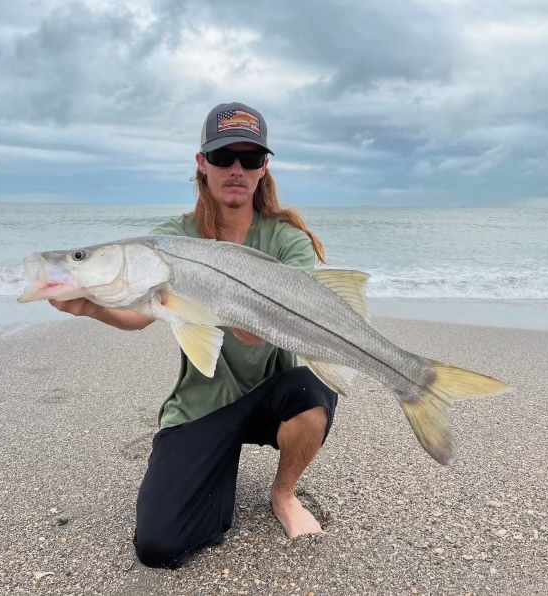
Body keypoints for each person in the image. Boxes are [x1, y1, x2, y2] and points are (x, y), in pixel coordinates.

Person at [49, 102, 338, 569]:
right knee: (159, 546)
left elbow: (275, 329)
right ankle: (213, 470)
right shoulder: (172, 239)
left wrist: (241, 315)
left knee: (311, 395)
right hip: (203, 401)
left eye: (251, 159)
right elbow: (143, 314)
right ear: (202, 164)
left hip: (272, 392)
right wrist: (91, 307)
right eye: (224, 157)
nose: (237, 170)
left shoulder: (287, 239)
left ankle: (283, 495)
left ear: (265, 168)